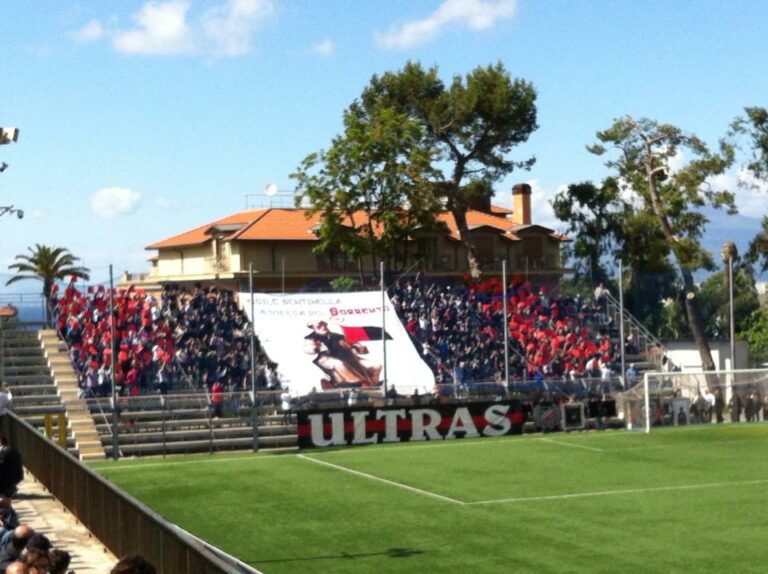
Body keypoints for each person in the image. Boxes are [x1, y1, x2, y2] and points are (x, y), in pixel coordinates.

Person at [304, 321, 381, 388]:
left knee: (376, 366)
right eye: (319, 326)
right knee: (339, 364)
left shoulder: (337, 336)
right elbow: (309, 350)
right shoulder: (311, 338)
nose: (323, 327)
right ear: (313, 328)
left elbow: (360, 349)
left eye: (324, 324)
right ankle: (356, 383)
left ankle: (372, 385)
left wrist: (357, 347)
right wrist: (319, 347)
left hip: (348, 357)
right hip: (326, 358)